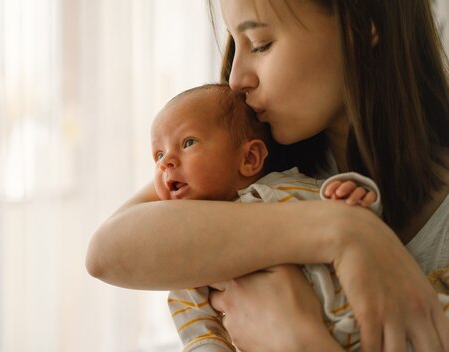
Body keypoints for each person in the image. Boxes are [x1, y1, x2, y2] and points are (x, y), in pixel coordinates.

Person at [87, 0, 449, 350]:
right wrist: (345, 231)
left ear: (359, 28)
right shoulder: (250, 161)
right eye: (235, 43)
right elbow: (106, 250)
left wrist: (301, 342)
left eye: (261, 44)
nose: (235, 80)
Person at [152, 83, 388, 351]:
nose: (165, 162)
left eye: (188, 142)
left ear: (250, 157)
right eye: (158, 154)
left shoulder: (290, 186)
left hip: (373, 322)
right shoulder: (193, 248)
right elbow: (198, 330)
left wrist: (356, 196)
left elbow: (361, 229)